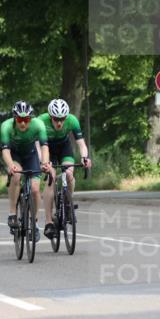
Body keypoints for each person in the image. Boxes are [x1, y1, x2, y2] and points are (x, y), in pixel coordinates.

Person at [38, 98, 92, 240]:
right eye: (56, 119)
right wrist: (43, 161)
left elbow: (81, 144)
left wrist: (85, 158)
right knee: (51, 177)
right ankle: (49, 222)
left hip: (64, 148)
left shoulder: (72, 120)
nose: (59, 123)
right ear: (51, 117)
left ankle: (67, 203)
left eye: (62, 119)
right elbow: (37, 145)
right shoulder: (41, 121)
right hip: (47, 148)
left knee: (69, 173)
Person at [0, 100, 53, 240]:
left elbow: (44, 147)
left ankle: (34, 223)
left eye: (26, 119)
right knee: (16, 176)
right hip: (15, 155)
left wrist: (45, 162)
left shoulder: (38, 125)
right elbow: (5, 151)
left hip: (30, 155)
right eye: (19, 119)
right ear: (14, 118)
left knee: (35, 189)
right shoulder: (6, 126)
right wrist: (11, 165)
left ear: (31, 119)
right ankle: (12, 213)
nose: (23, 123)